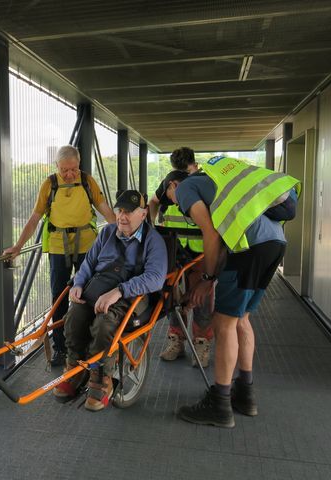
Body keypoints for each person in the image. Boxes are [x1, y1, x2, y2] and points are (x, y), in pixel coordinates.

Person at [165, 155, 299, 428]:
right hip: (275, 242)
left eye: (172, 198)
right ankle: (245, 394)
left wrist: (207, 279)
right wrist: (211, 277)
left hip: (251, 247)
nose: (177, 206)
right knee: (241, 319)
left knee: (223, 323)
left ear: (174, 186)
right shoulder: (220, 182)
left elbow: (211, 235)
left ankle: (220, 404)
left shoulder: (187, 189)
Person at [52, 190, 168, 411]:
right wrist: (78, 283)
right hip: (98, 286)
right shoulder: (107, 234)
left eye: (129, 212)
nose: (122, 217)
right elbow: (88, 263)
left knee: (104, 323)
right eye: (120, 211)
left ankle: (100, 376)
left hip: (131, 292)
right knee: (74, 316)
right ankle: (75, 367)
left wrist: (119, 291)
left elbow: (155, 278)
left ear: (143, 215)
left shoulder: (153, 241)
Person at [4, 145, 115, 366]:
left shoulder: (87, 181)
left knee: (90, 292)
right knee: (59, 296)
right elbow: (35, 218)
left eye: (73, 169)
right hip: (58, 247)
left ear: (79, 165)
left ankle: (87, 343)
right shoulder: (49, 184)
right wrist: (18, 246)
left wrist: (124, 235)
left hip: (86, 246)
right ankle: (61, 348)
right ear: (57, 166)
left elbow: (106, 210)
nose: (69, 174)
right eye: (64, 170)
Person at [149, 148, 215, 367]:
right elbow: (153, 201)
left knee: (201, 299)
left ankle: (202, 343)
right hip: (176, 250)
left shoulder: (203, 182)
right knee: (172, 297)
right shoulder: (171, 182)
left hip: (200, 251)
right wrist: (151, 229)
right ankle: (176, 340)